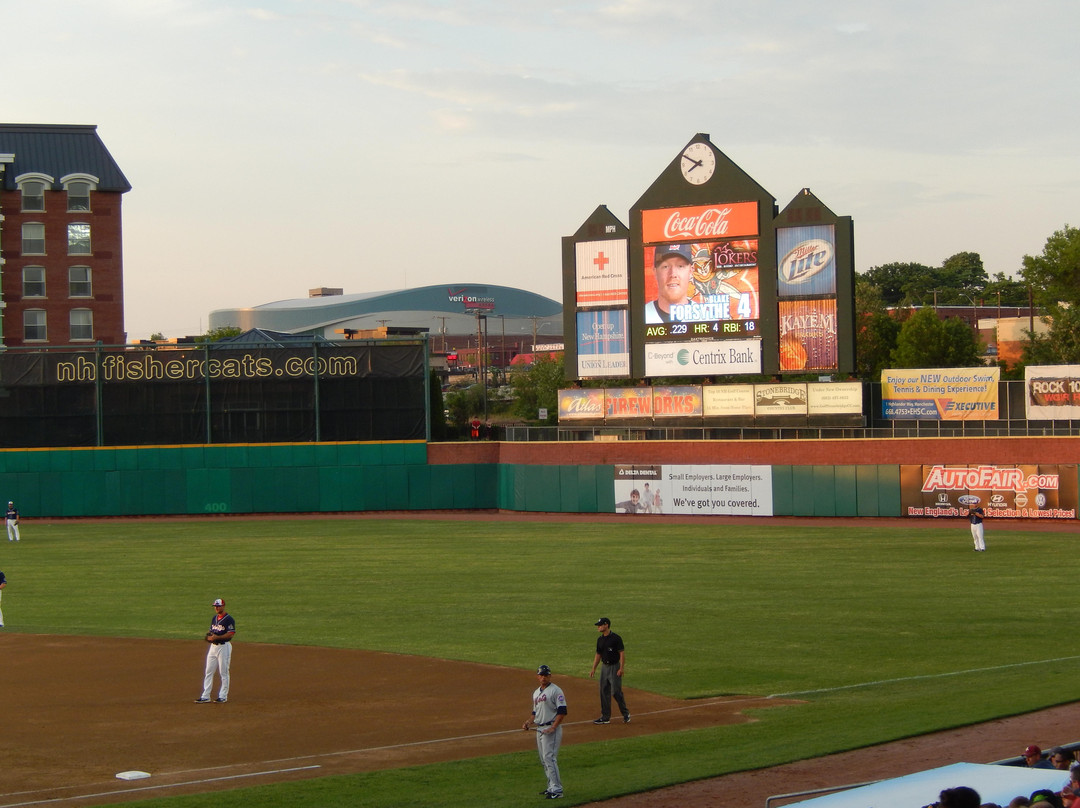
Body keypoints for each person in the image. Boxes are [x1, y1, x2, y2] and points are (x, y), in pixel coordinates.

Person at [522, 664, 567, 800]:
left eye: (546, 675)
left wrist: (553, 727)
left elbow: (562, 711)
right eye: (541, 675)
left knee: (550, 759)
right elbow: (535, 712)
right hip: (540, 729)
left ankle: (557, 790)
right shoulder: (536, 693)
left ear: (550, 676)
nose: (543, 677)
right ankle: (551, 787)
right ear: (538, 677)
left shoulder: (556, 691)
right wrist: (529, 722)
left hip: (550, 729)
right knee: (544, 760)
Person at [588, 617, 630, 724]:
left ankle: (626, 713)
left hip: (614, 667)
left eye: (600, 625)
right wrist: (593, 668)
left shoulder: (616, 638)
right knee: (603, 691)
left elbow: (621, 653)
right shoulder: (600, 640)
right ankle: (605, 717)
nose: (598, 627)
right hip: (604, 668)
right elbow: (598, 655)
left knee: (616, 692)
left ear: (606, 625)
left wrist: (621, 668)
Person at [196, 598, 235, 703]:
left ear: (223, 606)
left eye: (218, 606)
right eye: (215, 606)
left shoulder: (228, 619)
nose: (216, 608)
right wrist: (209, 637)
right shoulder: (214, 618)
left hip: (224, 647)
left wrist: (216, 638)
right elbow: (211, 631)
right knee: (208, 671)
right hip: (213, 648)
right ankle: (206, 696)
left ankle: (223, 696)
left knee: (223, 672)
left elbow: (230, 634)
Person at [645, 244, 694, 324]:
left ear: (691, 271)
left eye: (680, 266)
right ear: (655, 272)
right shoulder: (642, 315)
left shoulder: (705, 317)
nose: (673, 274)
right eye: (665, 266)